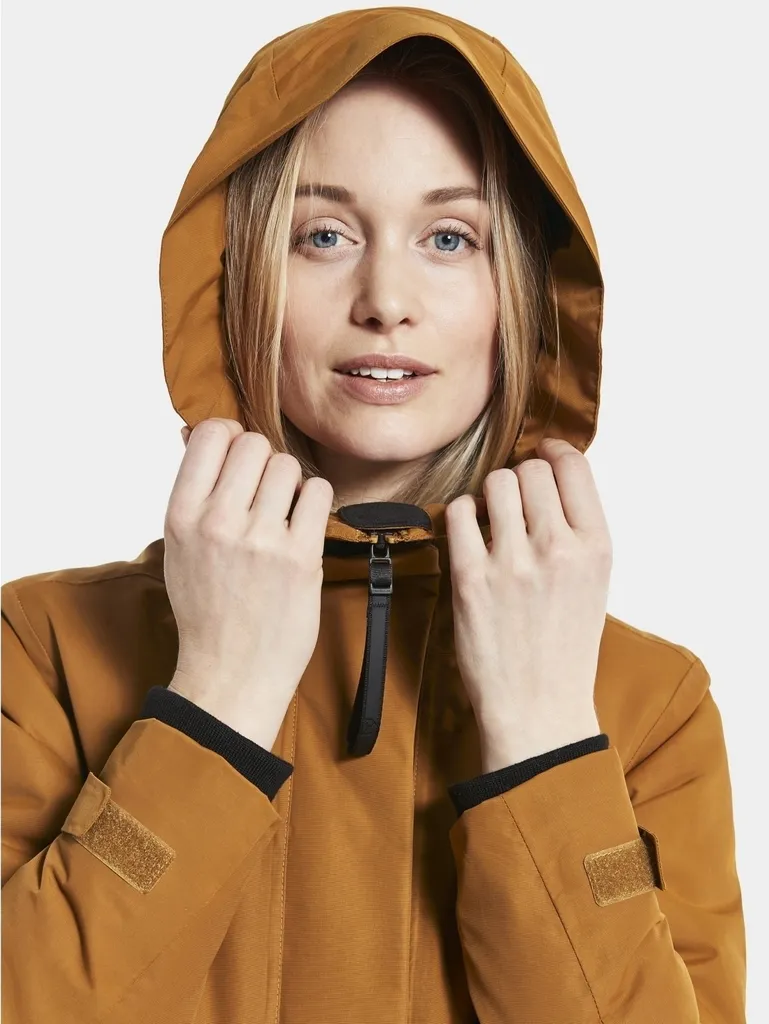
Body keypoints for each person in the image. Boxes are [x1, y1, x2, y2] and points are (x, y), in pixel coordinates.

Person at [1, 8, 746, 1023]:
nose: (385, 298)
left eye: (449, 237)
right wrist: (214, 700)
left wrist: (542, 735)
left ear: (521, 293)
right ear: (235, 277)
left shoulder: (648, 704)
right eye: (323, 235)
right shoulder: (44, 650)